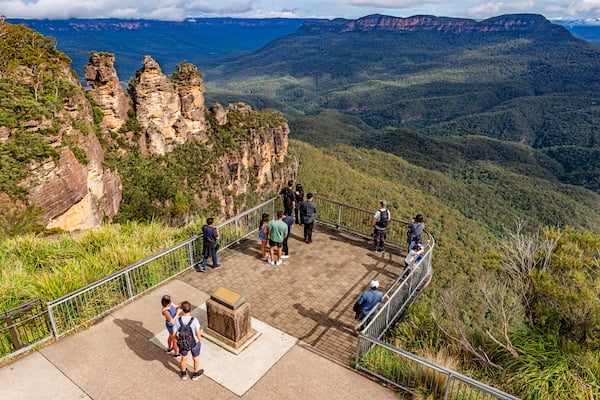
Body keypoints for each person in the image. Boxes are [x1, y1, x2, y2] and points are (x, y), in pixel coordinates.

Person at [173, 301, 204, 381]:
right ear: (190, 309)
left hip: (183, 343)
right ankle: (195, 375)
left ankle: (183, 374)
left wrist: (178, 340)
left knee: (184, 358)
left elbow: (173, 334)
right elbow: (198, 333)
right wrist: (199, 340)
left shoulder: (178, 320)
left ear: (182, 310)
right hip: (194, 343)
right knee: (195, 358)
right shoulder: (194, 320)